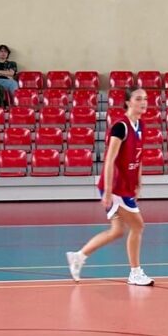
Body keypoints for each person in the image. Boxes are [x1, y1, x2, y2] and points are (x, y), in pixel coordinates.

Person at [67, 88, 154, 287]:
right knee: (138, 226)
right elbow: (109, 160)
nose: (143, 102)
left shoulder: (141, 125)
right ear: (128, 102)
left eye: (145, 99)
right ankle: (135, 272)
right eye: (138, 99)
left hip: (126, 185)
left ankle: (78, 256)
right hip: (115, 187)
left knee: (117, 231)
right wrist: (107, 191)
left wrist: (139, 181)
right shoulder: (120, 127)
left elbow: (138, 156)